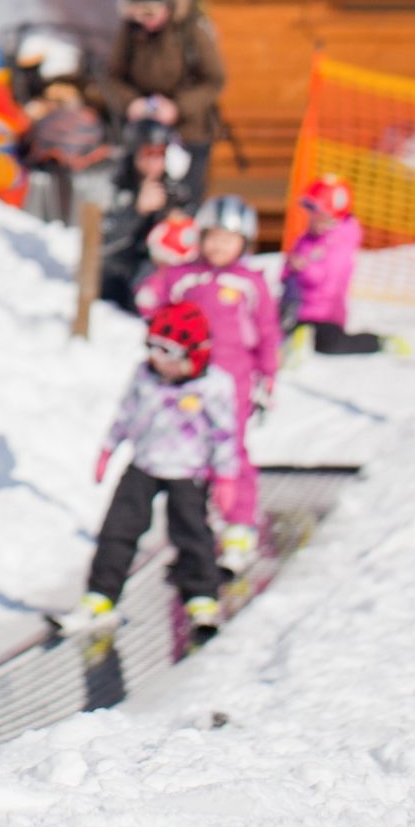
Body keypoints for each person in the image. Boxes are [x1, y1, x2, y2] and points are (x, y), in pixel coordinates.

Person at [53, 302, 239, 636]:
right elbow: (127, 411)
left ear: (194, 354)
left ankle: (201, 597)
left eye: (167, 352)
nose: (157, 359)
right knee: (118, 529)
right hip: (143, 464)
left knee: (192, 534)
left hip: (188, 471)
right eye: (151, 348)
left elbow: (224, 433)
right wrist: (109, 447)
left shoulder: (215, 386)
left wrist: (226, 476)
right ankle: (100, 596)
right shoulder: (145, 375)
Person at [135, 194, 279, 575]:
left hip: (234, 383)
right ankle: (196, 526)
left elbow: (267, 333)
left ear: (244, 242)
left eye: (228, 239)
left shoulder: (250, 283)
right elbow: (154, 307)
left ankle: (239, 523)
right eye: (213, 237)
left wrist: (268, 377)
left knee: (231, 451)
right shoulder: (184, 277)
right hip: (188, 382)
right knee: (190, 454)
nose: (218, 246)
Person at [105, 0, 226, 195]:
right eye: (137, 13)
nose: (143, 21)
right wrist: (132, 103)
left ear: (167, 6)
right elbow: (113, 76)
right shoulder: (131, 30)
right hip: (144, 132)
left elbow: (214, 80)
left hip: (189, 132)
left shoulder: (192, 29)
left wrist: (177, 107)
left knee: (184, 199)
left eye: (150, 13)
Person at [282, 175, 408, 359]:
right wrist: (289, 269)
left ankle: (379, 342)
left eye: (316, 213)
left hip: (325, 313)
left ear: (331, 215)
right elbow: (287, 272)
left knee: (330, 344)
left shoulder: (341, 241)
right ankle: (294, 344)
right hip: (295, 306)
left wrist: (304, 268)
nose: (311, 218)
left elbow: (328, 277)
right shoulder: (306, 238)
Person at [99, 118, 198, 310]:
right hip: (117, 275)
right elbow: (98, 240)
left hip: (160, 276)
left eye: (160, 154)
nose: (154, 161)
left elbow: (191, 238)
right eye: (148, 153)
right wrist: (136, 211)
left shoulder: (176, 191)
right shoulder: (113, 186)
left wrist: (176, 222)